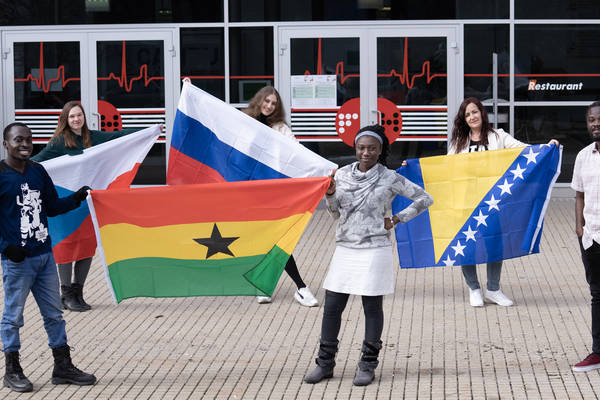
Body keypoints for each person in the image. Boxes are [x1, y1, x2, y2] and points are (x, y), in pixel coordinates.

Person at [304, 125, 433, 386]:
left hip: (375, 249)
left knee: (371, 307)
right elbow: (335, 214)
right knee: (332, 307)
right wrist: (330, 194)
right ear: (355, 148)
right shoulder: (341, 175)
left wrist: (397, 218)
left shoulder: (390, 177)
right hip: (345, 247)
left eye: (372, 148)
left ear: (380, 149)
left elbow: (424, 198)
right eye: (361, 148)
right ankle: (325, 364)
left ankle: (368, 365)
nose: (366, 153)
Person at [1, 122, 96, 392]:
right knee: (13, 317)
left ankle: (62, 366)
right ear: (6, 144)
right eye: (18, 140)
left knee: (54, 314)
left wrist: (76, 199)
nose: (25, 144)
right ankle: (12, 370)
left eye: (29, 139)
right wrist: (5, 247)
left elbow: (51, 206)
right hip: (17, 262)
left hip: (44, 257)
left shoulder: (38, 171)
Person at [448, 97, 559, 308]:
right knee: (467, 247)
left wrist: (547, 147)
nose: (472, 117)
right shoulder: (458, 143)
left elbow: (525, 150)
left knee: (494, 244)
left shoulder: (498, 136)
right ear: (464, 119)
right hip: (466, 202)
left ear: (482, 113)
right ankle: (474, 288)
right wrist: (413, 167)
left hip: (492, 202)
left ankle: (493, 289)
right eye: (467, 114)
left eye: (474, 112)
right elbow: (445, 170)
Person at [31, 101, 141, 312]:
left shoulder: (94, 138)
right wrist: (13, 168)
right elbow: (37, 161)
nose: (76, 119)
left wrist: (149, 130)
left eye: (79, 115)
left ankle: (78, 292)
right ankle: (66, 294)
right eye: (72, 116)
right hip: (65, 203)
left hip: (86, 203)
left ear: (84, 117)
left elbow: (119, 137)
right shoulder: (58, 142)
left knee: (86, 246)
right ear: (65, 119)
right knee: (66, 246)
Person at [243, 86, 318, 307]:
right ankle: (271, 286)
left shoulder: (281, 128)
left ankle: (299, 287)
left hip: (273, 194)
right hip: (249, 194)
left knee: (278, 240)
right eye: (266, 101)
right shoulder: (244, 122)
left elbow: (298, 153)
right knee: (264, 241)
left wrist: (320, 168)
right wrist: (189, 88)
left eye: (273, 103)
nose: (269, 106)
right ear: (259, 100)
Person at [571, 100, 600, 372]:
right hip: (591, 237)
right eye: (592, 120)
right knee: (597, 295)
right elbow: (579, 195)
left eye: (599, 119)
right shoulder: (583, 156)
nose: (596, 124)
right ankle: (598, 352)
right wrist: (580, 228)